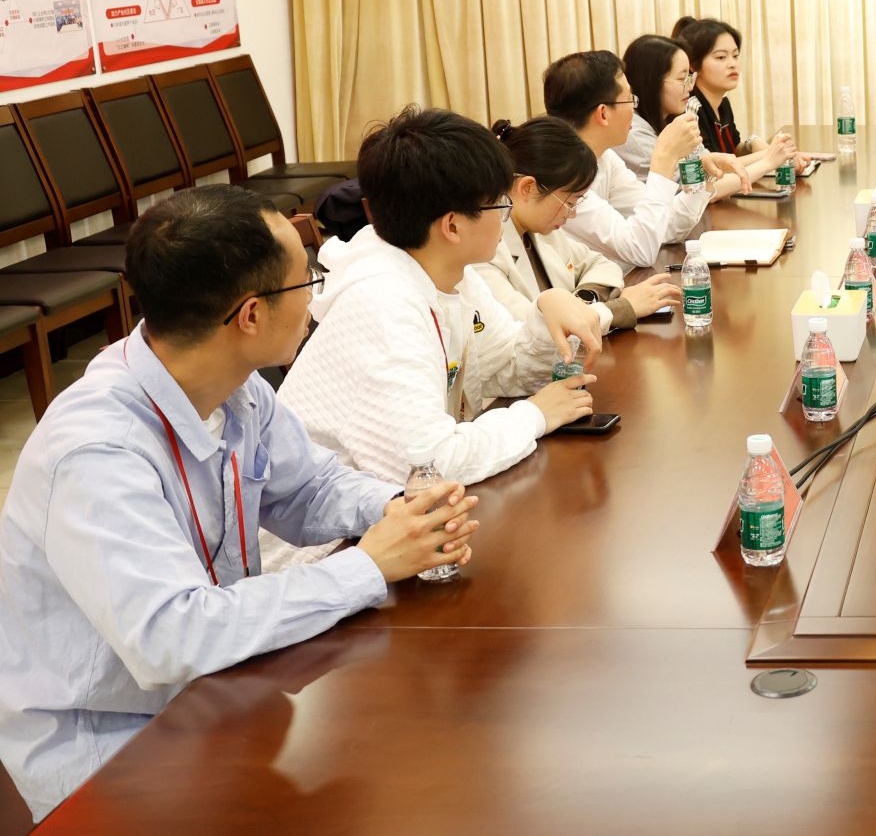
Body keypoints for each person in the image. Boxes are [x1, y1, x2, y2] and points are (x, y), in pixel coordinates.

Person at [0, 186, 481, 821]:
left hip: (216, 687)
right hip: (112, 749)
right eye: (305, 280)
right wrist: (368, 566)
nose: (314, 297)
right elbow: (174, 635)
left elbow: (307, 487)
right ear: (250, 314)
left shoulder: (231, 384)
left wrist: (399, 509)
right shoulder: (97, 450)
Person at [276, 108, 603, 543]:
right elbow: (429, 466)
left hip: (397, 526)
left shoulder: (451, 272)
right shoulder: (383, 302)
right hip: (328, 548)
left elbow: (508, 368)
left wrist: (547, 309)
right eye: (499, 205)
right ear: (452, 225)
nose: (506, 216)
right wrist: (535, 416)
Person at [481, 116, 682, 333]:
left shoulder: (541, 231)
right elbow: (536, 333)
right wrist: (620, 309)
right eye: (569, 203)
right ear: (527, 188)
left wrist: (582, 302)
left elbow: (602, 265)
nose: (573, 213)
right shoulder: (485, 250)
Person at [544, 48, 739, 269]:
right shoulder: (561, 175)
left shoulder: (605, 157)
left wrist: (702, 176)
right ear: (603, 113)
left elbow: (667, 225)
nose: (634, 109)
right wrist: (664, 157)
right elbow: (640, 250)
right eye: (629, 99)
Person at [674, 18, 807, 176]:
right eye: (721, 57)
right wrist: (772, 154)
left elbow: (734, 150)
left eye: (735, 56)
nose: (733, 64)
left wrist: (753, 142)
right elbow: (709, 168)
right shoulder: (689, 107)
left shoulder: (722, 102)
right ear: (694, 65)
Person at [619, 32, 696, 178]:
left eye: (690, 77)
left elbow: (705, 161)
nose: (690, 87)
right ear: (651, 82)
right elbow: (687, 183)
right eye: (681, 79)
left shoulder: (673, 118)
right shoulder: (634, 133)